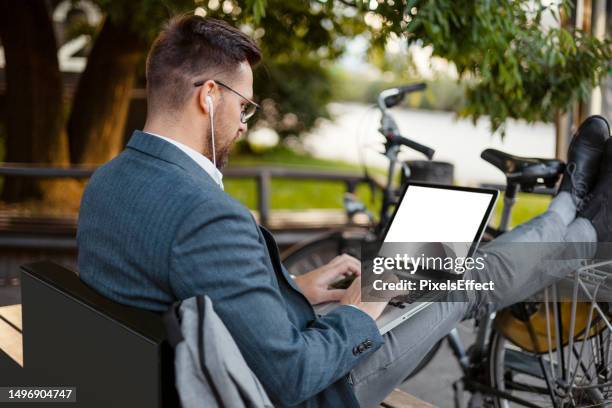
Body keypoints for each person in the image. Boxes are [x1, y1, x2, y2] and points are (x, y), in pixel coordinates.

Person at [76, 14, 611, 408]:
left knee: (416, 267)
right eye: (244, 106)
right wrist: (364, 309)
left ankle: (571, 210)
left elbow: (189, 290)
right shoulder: (203, 214)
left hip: (202, 372)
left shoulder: (109, 184)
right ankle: (579, 216)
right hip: (314, 391)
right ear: (209, 97)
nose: (244, 124)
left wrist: (296, 287)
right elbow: (291, 376)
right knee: (462, 276)